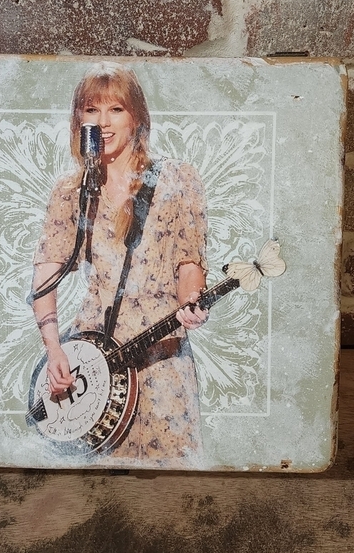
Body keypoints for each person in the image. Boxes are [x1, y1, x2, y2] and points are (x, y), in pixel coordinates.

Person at [31, 61, 209, 465]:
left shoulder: (177, 180)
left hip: (161, 354)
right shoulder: (71, 190)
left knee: (171, 474)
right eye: (92, 110)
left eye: (116, 109)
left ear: (137, 118)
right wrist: (55, 350)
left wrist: (192, 301)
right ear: (79, 121)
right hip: (94, 359)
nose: (103, 122)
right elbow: (44, 275)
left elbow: (188, 262)